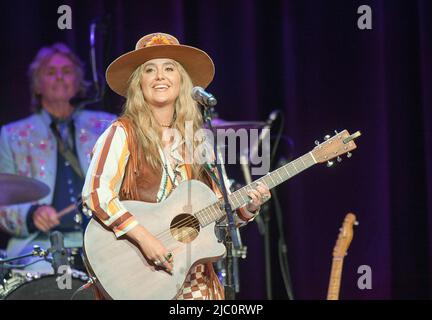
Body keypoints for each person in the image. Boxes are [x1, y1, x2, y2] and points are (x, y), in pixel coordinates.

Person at [81, 32, 271, 300]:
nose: (160, 76)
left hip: (195, 280)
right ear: (139, 84)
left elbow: (218, 215)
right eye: (150, 70)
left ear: (181, 81)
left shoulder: (196, 141)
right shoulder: (122, 133)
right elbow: (96, 193)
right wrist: (146, 239)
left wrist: (248, 208)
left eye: (169, 68)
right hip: (144, 278)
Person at [0, 43, 116, 273]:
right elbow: (2, 200)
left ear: (78, 81)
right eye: (51, 73)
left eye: (67, 72)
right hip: (40, 246)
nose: (60, 78)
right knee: (45, 278)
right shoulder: (13, 135)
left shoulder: (107, 125)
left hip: (104, 239)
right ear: (37, 84)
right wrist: (32, 215)